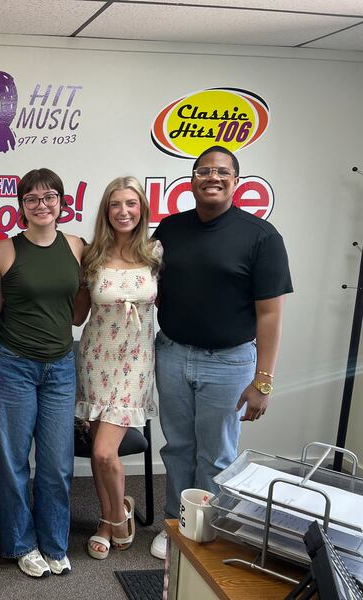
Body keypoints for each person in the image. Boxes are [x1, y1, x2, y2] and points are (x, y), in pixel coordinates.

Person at [149, 146, 292, 559]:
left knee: (216, 455)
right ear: (192, 179)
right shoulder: (170, 229)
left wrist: (263, 380)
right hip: (172, 354)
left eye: (221, 171)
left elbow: (269, 316)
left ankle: (204, 528)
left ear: (236, 181)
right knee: (177, 447)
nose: (212, 177)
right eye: (203, 170)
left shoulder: (261, 237)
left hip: (229, 363)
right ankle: (176, 524)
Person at [0, 168, 85, 578]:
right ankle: (20, 543)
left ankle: (54, 543)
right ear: (21, 205)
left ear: (62, 202)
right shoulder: (3, 250)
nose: (41, 204)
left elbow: (79, 310)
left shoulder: (78, 246)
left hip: (61, 366)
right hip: (13, 364)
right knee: (11, 461)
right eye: (32, 198)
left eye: (49, 197)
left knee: (57, 463)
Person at [75, 176, 162, 560]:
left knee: (105, 453)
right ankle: (115, 515)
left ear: (141, 208)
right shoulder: (91, 255)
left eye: (130, 203)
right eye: (115, 204)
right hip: (96, 359)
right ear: (105, 211)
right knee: (98, 451)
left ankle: (112, 521)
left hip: (135, 363)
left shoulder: (156, 253)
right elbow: (77, 314)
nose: (123, 211)